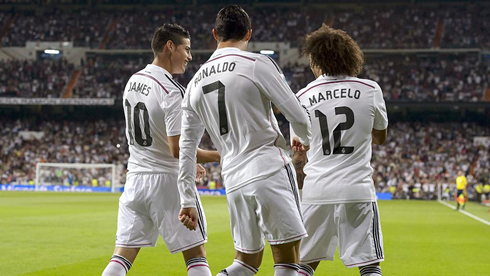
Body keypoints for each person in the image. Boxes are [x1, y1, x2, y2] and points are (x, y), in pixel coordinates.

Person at [176, 5, 312, 276]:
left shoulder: (194, 84)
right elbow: (298, 114)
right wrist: (304, 141)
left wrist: (187, 199)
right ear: (249, 34)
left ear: (215, 34)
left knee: (246, 263)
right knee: (287, 259)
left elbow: (186, 148)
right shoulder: (257, 64)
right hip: (268, 168)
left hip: (234, 180)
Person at [101, 23, 220, 276]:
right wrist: (220, 156)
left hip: (135, 182)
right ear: (169, 47)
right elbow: (178, 149)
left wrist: (189, 159)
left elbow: (159, 139)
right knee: (196, 256)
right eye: (186, 49)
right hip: (167, 183)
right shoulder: (172, 90)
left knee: (121, 257)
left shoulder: (133, 81)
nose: (189, 56)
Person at [290, 25, 388, 276]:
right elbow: (380, 137)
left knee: (304, 264)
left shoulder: (302, 96)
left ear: (316, 60)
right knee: (369, 264)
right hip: (356, 189)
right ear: (349, 57)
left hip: (316, 190)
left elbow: (299, 153)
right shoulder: (370, 89)